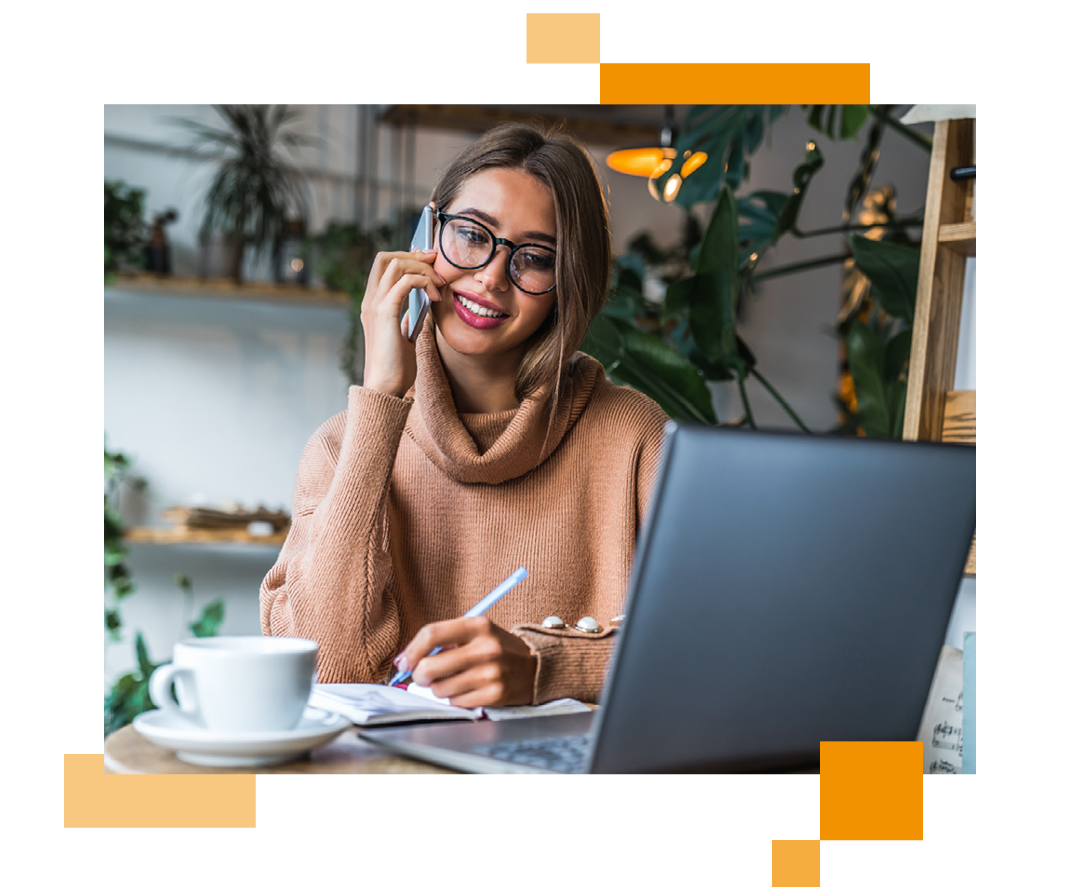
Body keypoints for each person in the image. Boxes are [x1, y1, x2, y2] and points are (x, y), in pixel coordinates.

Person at [260, 121, 670, 707]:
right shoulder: (342, 447)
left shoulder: (636, 437)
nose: (490, 277)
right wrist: (380, 400)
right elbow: (326, 666)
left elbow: (711, 650)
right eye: (473, 235)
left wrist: (544, 667)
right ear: (427, 232)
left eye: (534, 258)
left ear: (569, 280)